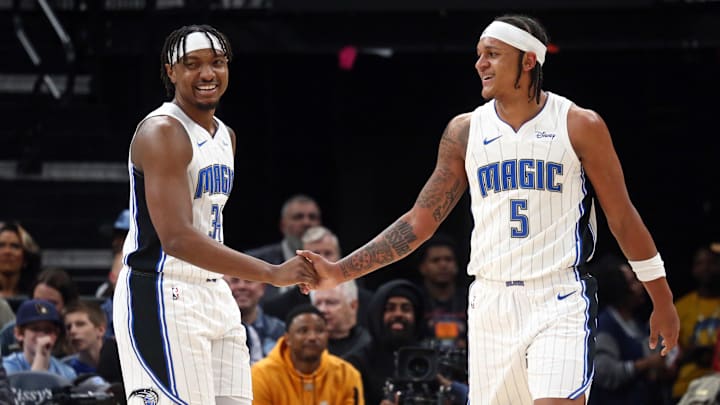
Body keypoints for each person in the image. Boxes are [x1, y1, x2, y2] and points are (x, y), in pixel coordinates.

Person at [300, 14, 680, 405]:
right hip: (490, 301)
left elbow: (622, 218)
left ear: (528, 60)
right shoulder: (465, 131)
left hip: (558, 295)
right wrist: (340, 271)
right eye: (479, 54)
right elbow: (419, 222)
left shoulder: (579, 125)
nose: (480, 63)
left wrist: (662, 299)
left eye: (493, 54)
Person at [113, 24, 318, 405]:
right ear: (171, 71)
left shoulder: (226, 135)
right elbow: (176, 238)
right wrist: (271, 273)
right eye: (192, 64)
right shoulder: (163, 131)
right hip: (161, 289)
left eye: (217, 63)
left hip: (214, 292)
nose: (207, 74)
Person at [589, 255, 673, 405]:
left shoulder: (636, 324)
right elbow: (605, 372)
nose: (640, 286)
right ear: (617, 289)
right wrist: (647, 364)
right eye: (632, 282)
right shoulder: (605, 326)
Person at [250, 304, 364, 405]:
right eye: (303, 331)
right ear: (287, 338)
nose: (312, 337)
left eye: (319, 331)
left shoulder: (347, 374)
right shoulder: (260, 375)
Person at [346, 279, 427, 405]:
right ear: (377, 314)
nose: (398, 314)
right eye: (390, 308)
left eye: (406, 309)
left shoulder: (429, 361)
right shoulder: (356, 364)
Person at [246, 194, 322, 302]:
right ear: (283, 225)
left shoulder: (330, 259)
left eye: (312, 217)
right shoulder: (255, 260)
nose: (306, 222)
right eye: (298, 217)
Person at [672, 242, 720, 400]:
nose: (706, 268)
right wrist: (692, 354)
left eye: (712, 263)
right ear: (693, 269)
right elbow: (668, 358)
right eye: (701, 263)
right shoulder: (680, 308)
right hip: (687, 388)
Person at [415, 234, 468, 349]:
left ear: (457, 265)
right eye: (435, 260)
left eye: (448, 259)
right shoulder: (414, 300)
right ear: (422, 267)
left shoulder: (471, 299)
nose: (443, 265)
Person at [2, 299, 76, 380]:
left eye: (48, 330)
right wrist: (40, 356)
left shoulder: (67, 372)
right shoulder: (6, 367)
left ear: (56, 335)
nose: (42, 335)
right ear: (19, 334)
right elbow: (31, 389)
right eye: (35, 329)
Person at [222, 275, 285, 361]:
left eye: (249, 280)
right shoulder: (213, 331)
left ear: (262, 287)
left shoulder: (280, 331)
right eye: (235, 281)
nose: (242, 286)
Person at [63, 300, 123, 384]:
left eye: (80, 324)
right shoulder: (66, 371)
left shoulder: (123, 362)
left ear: (100, 330)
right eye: (68, 327)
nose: (72, 331)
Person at [310, 280, 371, 357]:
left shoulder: (370, 347)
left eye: (331, 302)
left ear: (353, 305)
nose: (322, 309)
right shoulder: (305, 348)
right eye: (318, 304)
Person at [0, 222, 41, 301]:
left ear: (26, 258)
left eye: (15, 246)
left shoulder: (37, 296)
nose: (7, 252)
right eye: (1, 245)